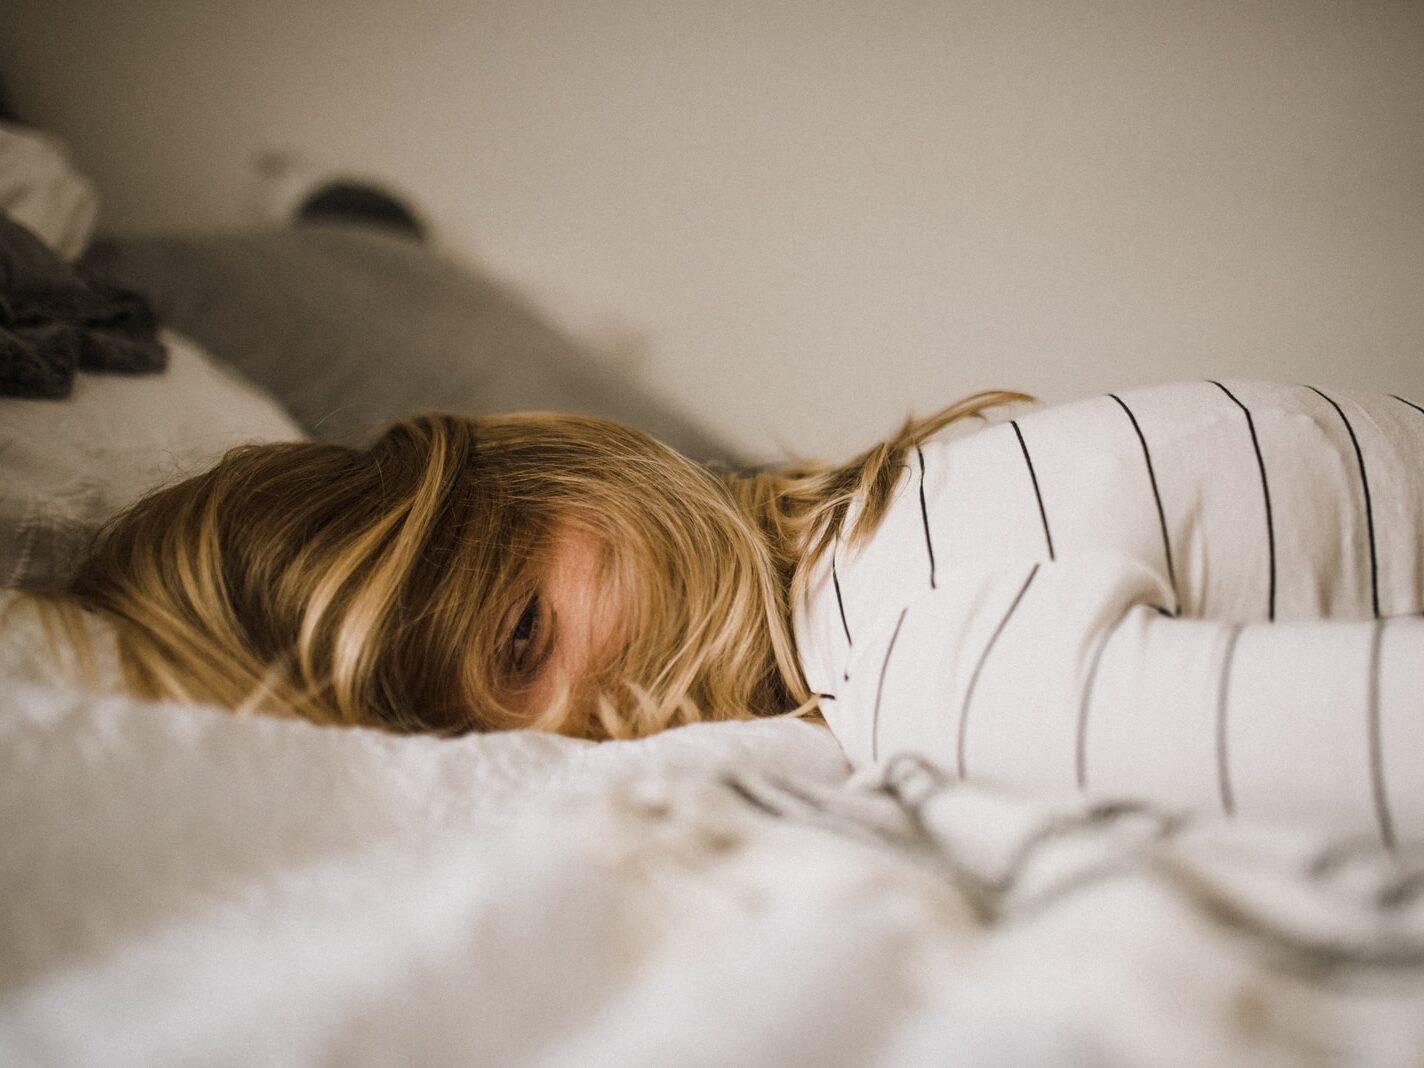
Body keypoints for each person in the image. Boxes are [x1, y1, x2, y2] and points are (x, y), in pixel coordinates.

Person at [20, 382, 1424, 835]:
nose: (589, 734)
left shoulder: (924, 653)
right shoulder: (894, 535)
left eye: (523, 638)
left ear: (564, 468)